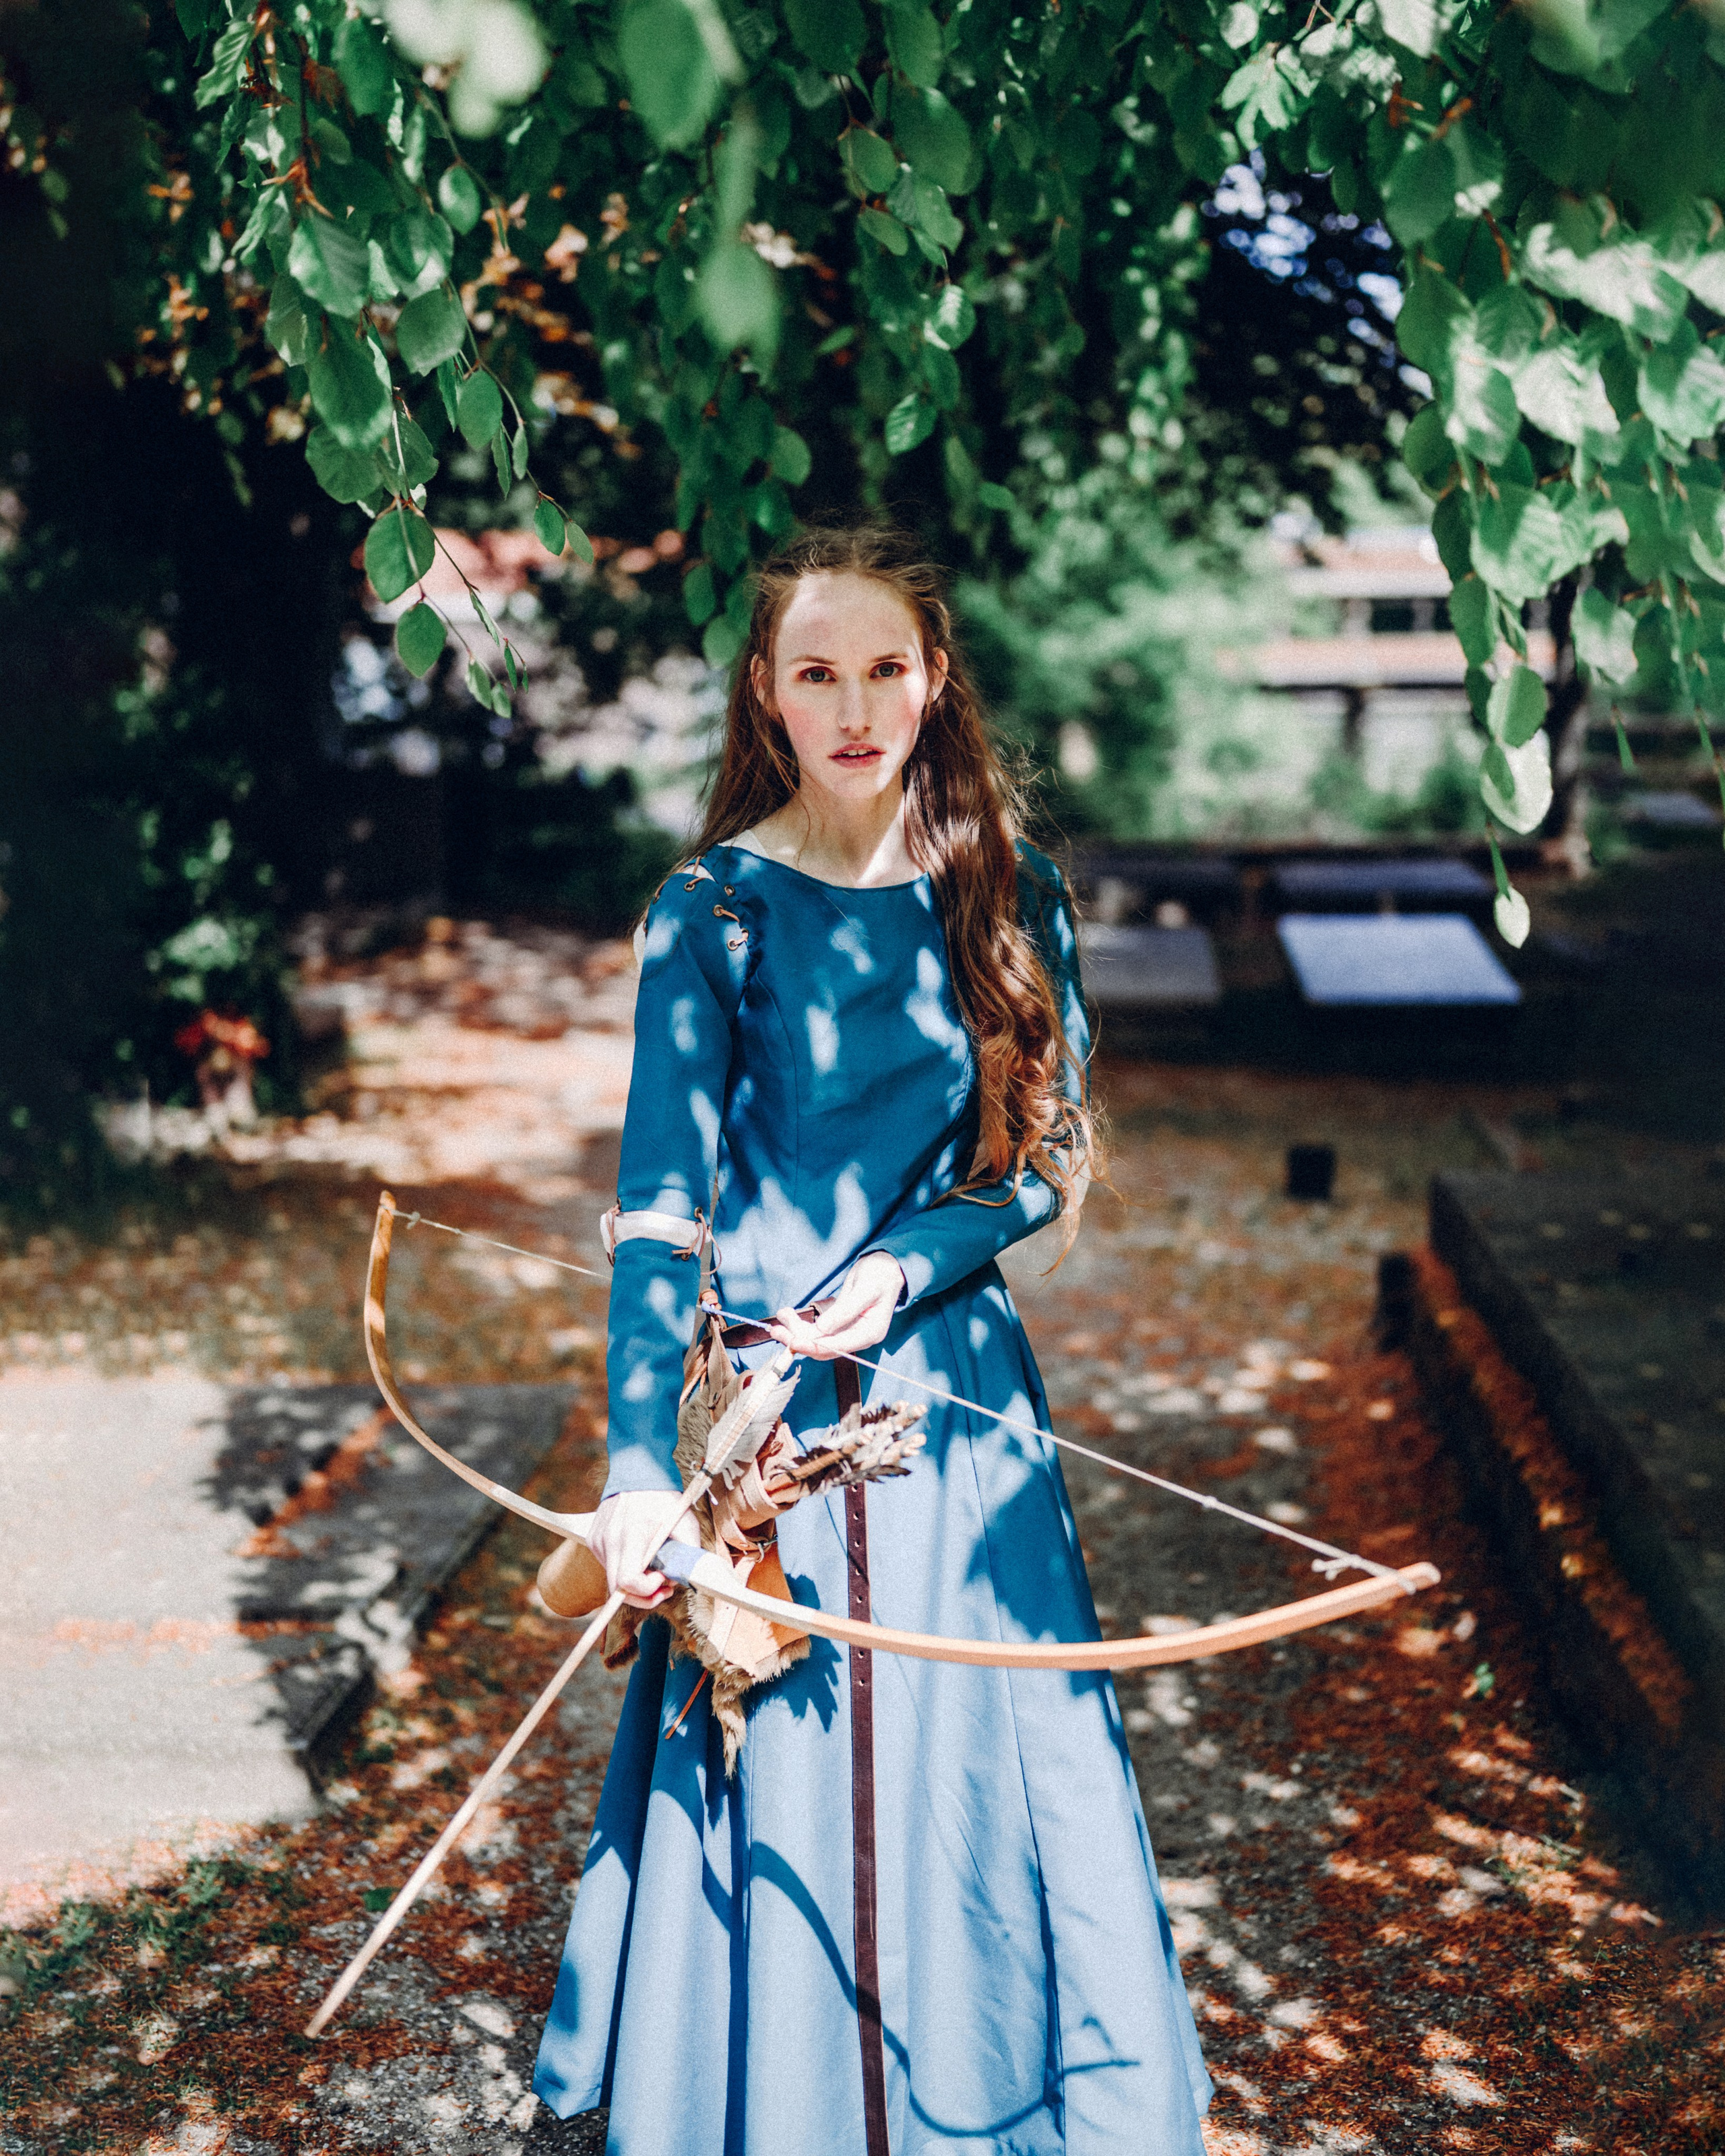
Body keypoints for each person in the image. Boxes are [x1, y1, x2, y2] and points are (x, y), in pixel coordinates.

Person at [532, 526, 1211, 2153]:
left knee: (983, 1770)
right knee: (775, 1770)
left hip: (954, 1415)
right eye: (816, 672)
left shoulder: (1006, 892)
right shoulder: (708, 914)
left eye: (884, 669)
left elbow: (1040, 1164)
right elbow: (656, 1215)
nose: (854, 706)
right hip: (757, 1428)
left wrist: (905, 1264)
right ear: (765, 693)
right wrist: (639, 1471)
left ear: (934, 679)